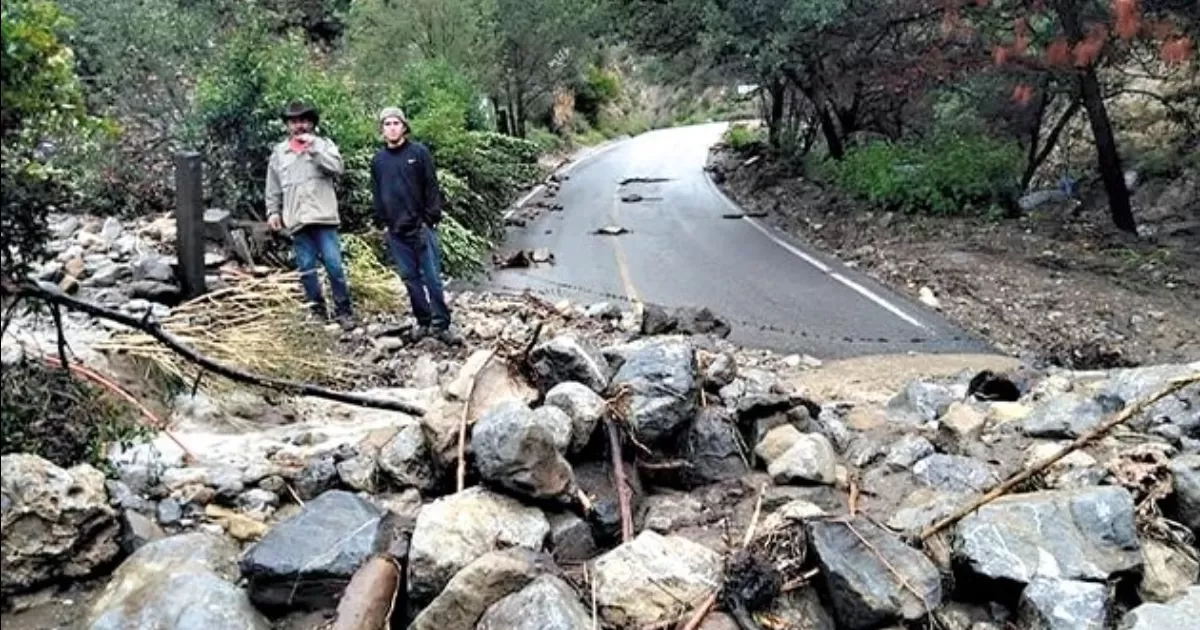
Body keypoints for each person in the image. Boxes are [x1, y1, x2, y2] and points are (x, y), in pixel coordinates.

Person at [370, 107, 459, 344]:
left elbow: (431, 187)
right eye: (387, 124)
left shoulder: (418, 153)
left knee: (432, 278)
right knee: (410, 280)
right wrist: (382, 223)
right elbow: (377, 193)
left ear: (404, 126)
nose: (391, 128)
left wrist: (430, 218)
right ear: (382, 129)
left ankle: (442, 324)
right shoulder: (378, 161)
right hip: (396, 231)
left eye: (395, 123)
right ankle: (423, 321)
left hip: (421, 227)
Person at [265, 101, 355, 329]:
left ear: (312, 124)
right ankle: (317, 310)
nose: (299, 126)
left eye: (304, 121)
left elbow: (337, 168)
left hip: (324, 217)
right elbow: (273, 186)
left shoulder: (324, 145)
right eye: (294, 122)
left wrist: (313, 149)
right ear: (288, 126)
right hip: (296, 220)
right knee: (306, 268)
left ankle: (344, 311)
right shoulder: (279, 153)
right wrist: (273, 211)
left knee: (334, 265)